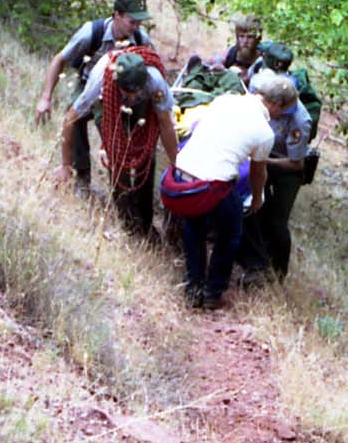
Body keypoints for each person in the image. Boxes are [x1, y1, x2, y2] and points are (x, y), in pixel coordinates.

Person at [160, 76, 298, 309]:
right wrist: (256, 199)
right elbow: (257, 174)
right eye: (283, 109)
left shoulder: (224, 100)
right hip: (209, 187)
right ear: (276, 104)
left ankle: (193, 285)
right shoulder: (264, 133)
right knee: (231, 233)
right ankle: (214, 290)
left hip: (179, 178)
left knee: (194, 228)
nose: (280, 115)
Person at [35, 0, 152, 188]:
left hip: (124, 92)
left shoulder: (141, 39)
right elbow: (59, 60)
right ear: (117, 15)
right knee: (74, 117)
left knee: (116, 136)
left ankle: (121, 185)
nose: (136, 27)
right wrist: (45, 97)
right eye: (132, 22)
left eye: (139, 23)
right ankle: (80, 175)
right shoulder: (91, 33)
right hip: (89, 84)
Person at [55, 48, 178, 236]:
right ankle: (126, 221)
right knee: (117, 155)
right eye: (127, 92)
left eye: (137, 91)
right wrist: (65, 165)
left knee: (146, 155)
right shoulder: (100, 80)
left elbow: (166, 124)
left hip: (142, 111)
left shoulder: (155, 81)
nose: (132, 97)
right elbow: (70, 118)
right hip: (107, 104)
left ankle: (145, 225)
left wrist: (176, 163)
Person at [236, 67, 312, 281]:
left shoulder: (300, 121)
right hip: (263, 156)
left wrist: (262, 160)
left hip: (287, 169)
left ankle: (279, 272)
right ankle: (254, 259)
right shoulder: (267, 102)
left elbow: (296, 164)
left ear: (280, 105)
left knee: (277, 222)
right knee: (252, 206)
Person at [213, 14, 263, 83]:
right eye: (242, 36)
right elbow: (217, 61)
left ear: (258, 39)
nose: (245, 41)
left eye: (250, 37)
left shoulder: (263, 59)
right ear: (237, 37)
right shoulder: (231, 54)